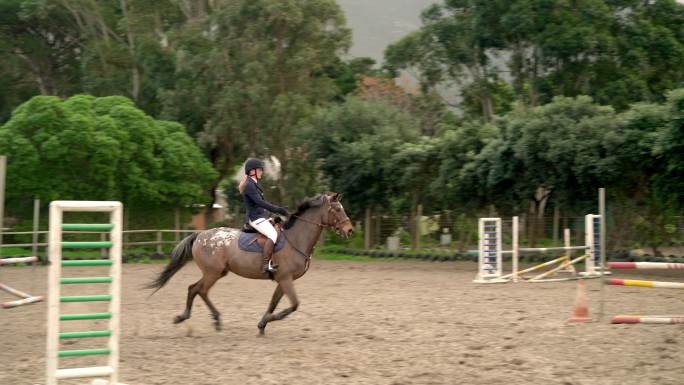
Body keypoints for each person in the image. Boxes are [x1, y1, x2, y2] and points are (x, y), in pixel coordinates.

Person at [239, 158, 289, 273]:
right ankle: (265, 264)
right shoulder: (249, 186)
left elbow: (261, 206)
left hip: (261, 217)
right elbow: (260, 203)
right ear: (252, 171)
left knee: (278, 227)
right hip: (255, 219)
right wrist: (279, 209)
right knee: (272, 234)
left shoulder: (255, 185)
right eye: (260, 170)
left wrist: (271, 215)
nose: (262, 172)